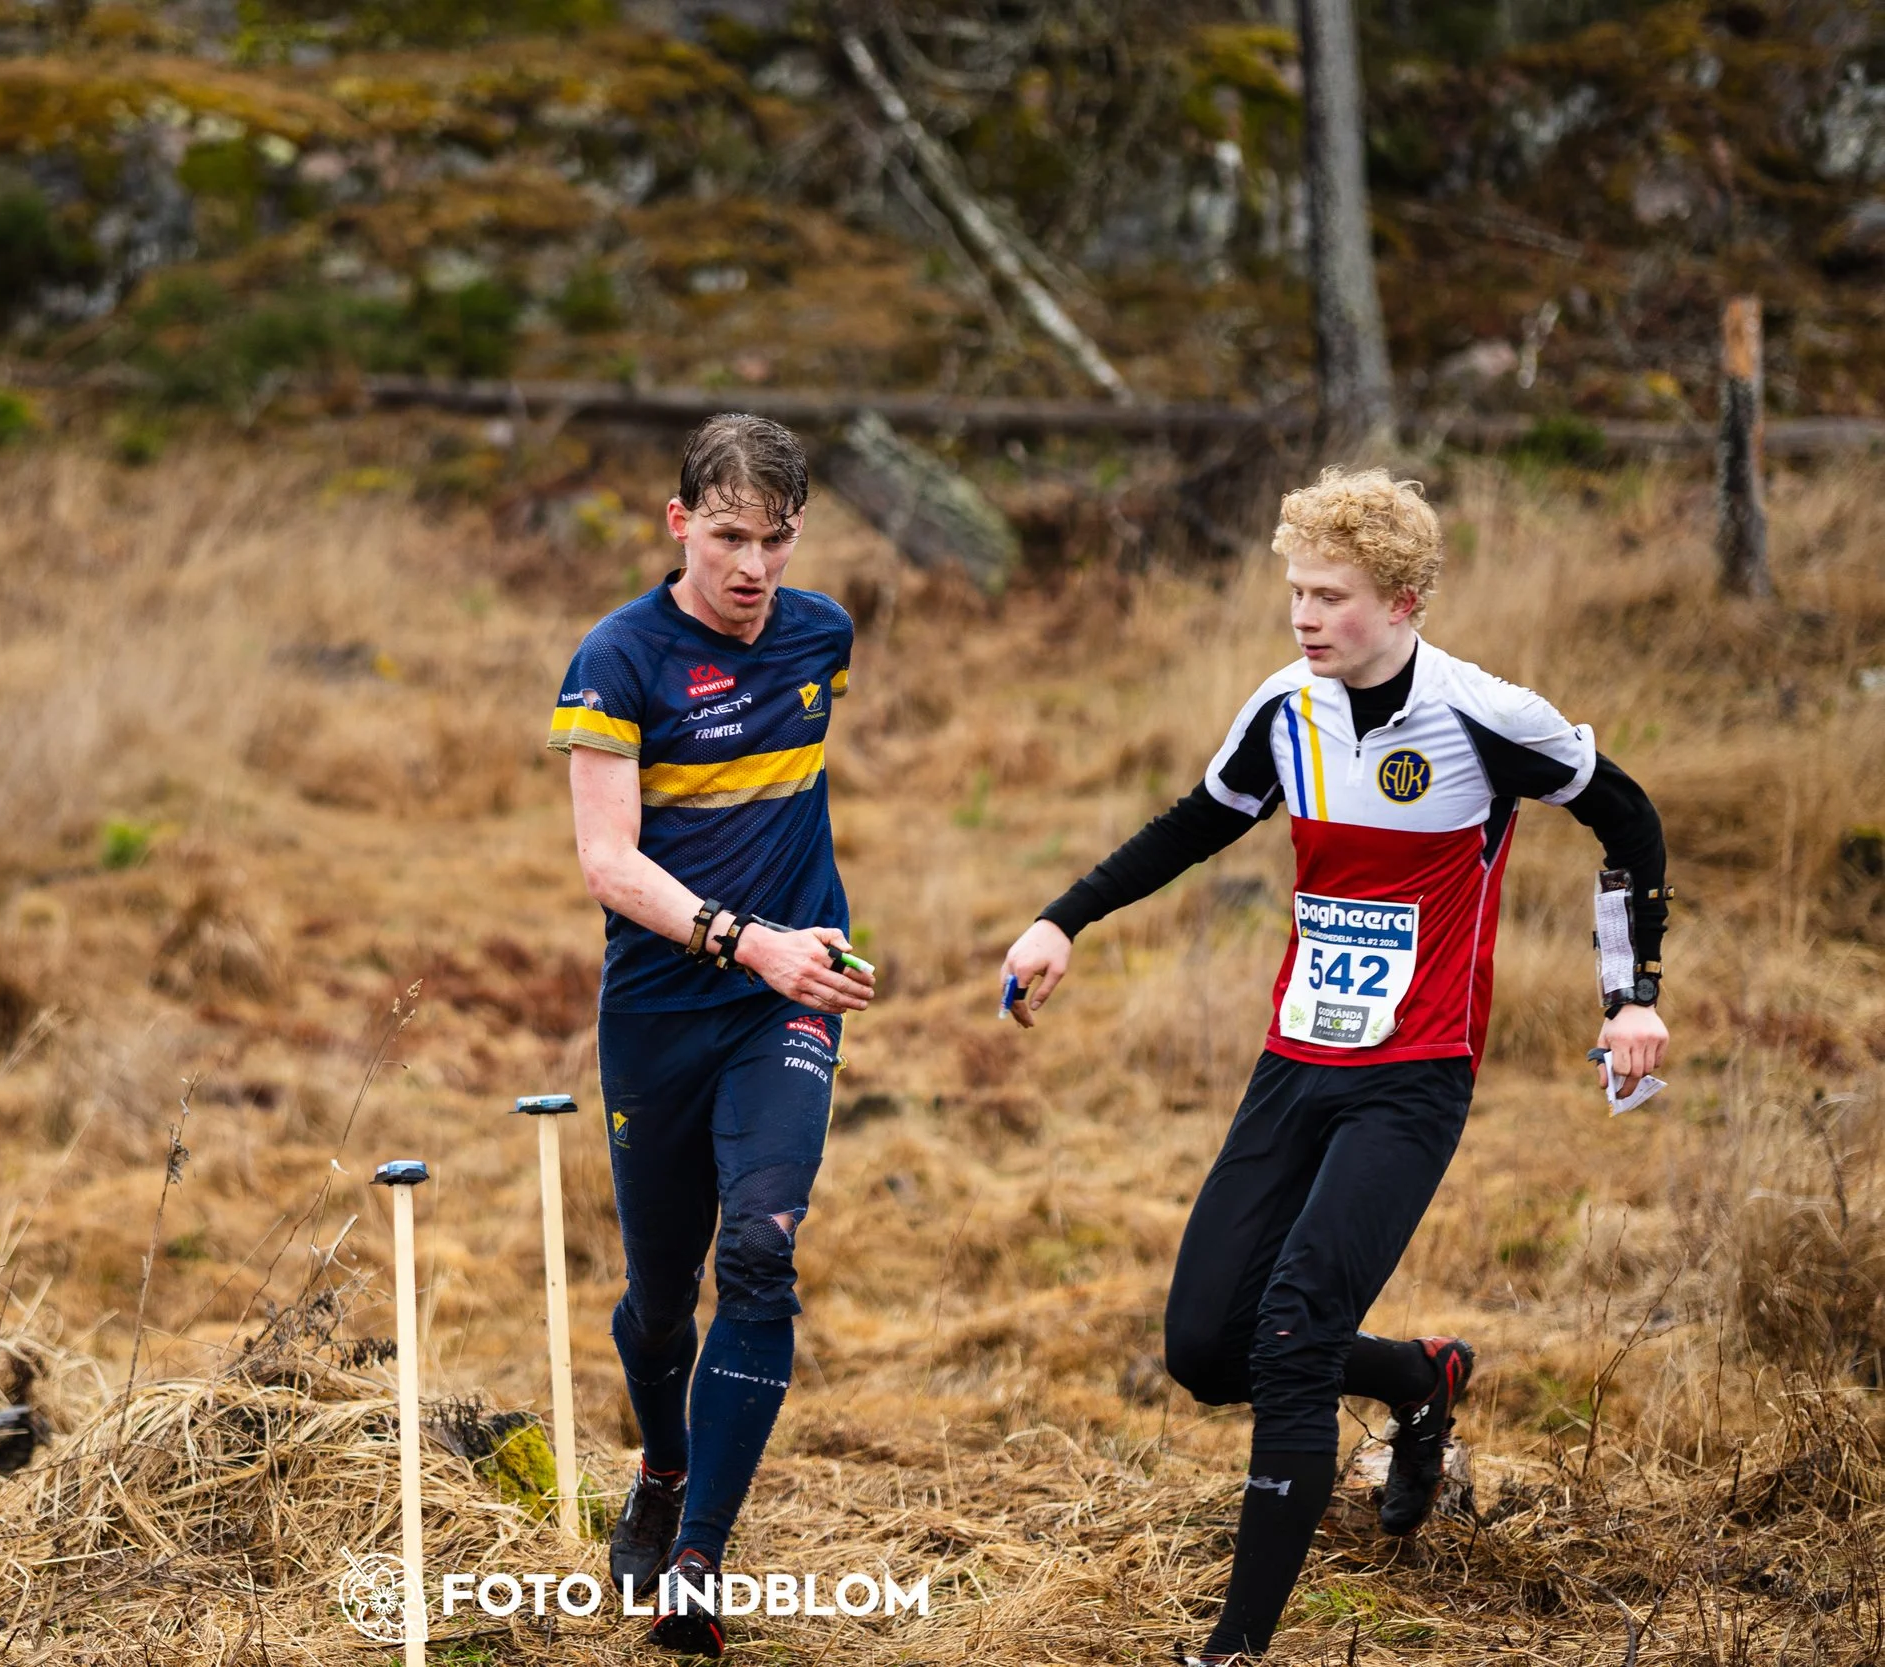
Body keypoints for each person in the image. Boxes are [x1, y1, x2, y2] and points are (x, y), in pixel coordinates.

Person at [997, 467, 1671, 1663]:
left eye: (1332, 596)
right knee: (1207, 1348)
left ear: (1403, 599)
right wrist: (1063, 918)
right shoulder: (1284, 706)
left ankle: (1235, 1647)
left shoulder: (1485, 714)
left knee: (1296, 1327)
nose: (1305, 617)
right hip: (1295, 1058)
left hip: (1416, 1070)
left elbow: (1628, 819)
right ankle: (1419, 1378)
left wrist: (1631, 998)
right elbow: (1197, 820)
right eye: (1295, 591)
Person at [548, 413, 874, 1659]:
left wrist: (791, 950)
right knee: (655, 1302)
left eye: (775, 540)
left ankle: (698, 1557)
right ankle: (666, 1467)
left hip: (792, 990)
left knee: (762, 1246)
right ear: (679, 522)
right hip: (661, 1006)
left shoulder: (821, 633)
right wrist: (744, 936)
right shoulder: (616, 660)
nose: (752, 567)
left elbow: (791, 793)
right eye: (729, 535)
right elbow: (605, 862)